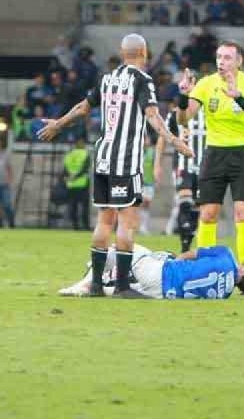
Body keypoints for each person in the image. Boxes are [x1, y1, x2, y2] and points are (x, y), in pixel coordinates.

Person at [39, 34, 191, 297]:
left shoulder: (106, 79)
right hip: (126, 160)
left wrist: (58, 124)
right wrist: (173, 140)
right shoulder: (142, 80)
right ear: (143, 53)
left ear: (123, 54)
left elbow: (83, 108)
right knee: (127, 222)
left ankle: (97, 284)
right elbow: (153, 116)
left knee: (104, 221)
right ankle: (121, 286)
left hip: (103, 159)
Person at [177, 41, 244, 265]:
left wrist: (238, 96)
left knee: (242, 213)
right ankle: (205, 267)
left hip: (243, 154)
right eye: (219, 57)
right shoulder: (206, 84)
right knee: (208, 214)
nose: (222, 61)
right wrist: (183, 97)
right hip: (215, 154)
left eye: (227, 57)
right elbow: (184, 118)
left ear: (239, 61)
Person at [58, 242, 244, 299]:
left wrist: (175, 259)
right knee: (117, 289)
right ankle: (100, 286)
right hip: (163, 294)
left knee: (124, 247)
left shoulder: (227, 256)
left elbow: (191, 254)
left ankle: (90, 279)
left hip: (162, 273)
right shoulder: (225, 294)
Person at [155, 93, 206, 252]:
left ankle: (191, 242)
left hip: (205, 166)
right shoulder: (175, 114)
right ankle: (185, 248)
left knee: (198, 209)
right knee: (184, 203)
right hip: (183, 166)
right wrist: (158, 164)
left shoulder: (209, 114)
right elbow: (162, 138)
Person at [63, 136, 91, 231]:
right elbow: (85, 168)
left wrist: (70, 177)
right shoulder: (85, 153)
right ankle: (85, 226)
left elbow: (65, 169)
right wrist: (76, 176)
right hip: (83, 184)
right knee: (84, 207)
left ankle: (75, 226)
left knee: (73, 206)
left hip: (71, 184)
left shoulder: (69, 154)